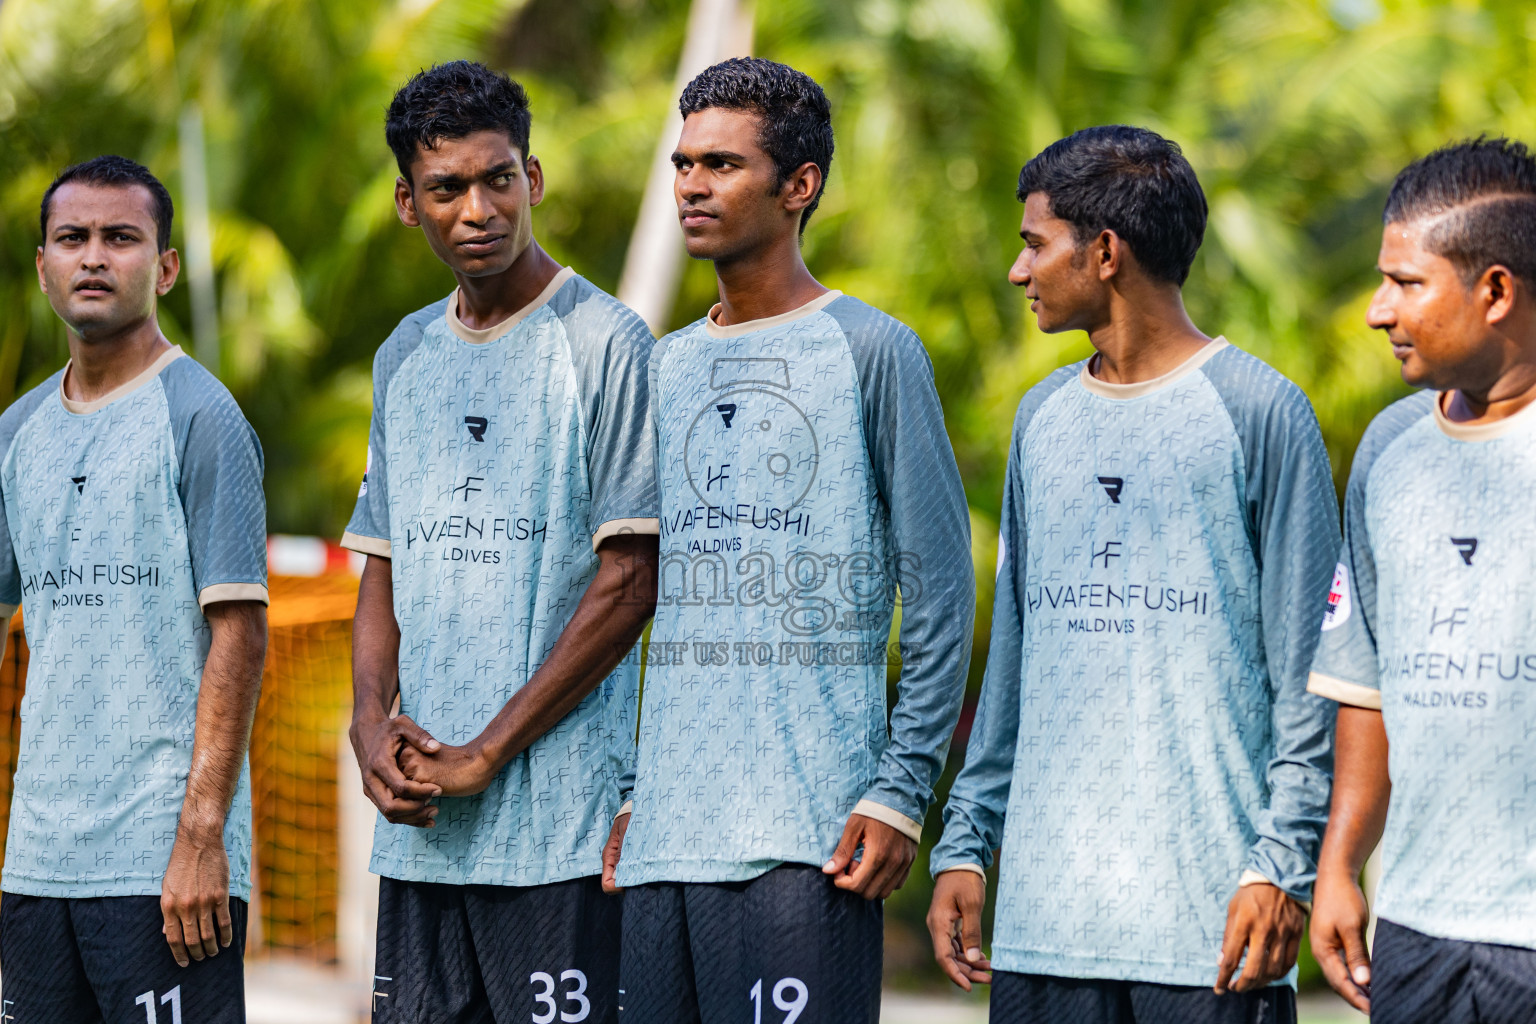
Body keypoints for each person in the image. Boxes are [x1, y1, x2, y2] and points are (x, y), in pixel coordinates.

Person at [927, 126, 1339, 1024]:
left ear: (1105, 252)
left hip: (1209, 936)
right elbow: (1017, 665)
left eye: (1036, 244)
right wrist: (964, 843)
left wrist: (1282, 865)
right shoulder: (1041, 419)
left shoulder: (1260, 411)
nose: (1017, 269)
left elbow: (1310, 678)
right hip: (1045, 932)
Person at [605, 57, 975, 1023]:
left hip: (810, 838)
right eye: (684, 163)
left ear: (798, 185)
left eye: (722, 165)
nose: (691, 184)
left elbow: (937, 590)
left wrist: (901, 794)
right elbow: (645, 597)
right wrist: (634, 791)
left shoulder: (873, 350)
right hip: (663, 843)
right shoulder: (666, 365)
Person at [340, 61, 658, 1024]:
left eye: (498, 179)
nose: (479, 208)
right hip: (423, 830)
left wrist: (486, 752)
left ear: (535, 178)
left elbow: (632, 578)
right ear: (409, 203)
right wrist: (367, 721)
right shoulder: (404, 354)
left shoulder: (608, 341)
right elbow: (382, 563)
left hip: (559, 832)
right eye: (447, 188)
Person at [0, 155, 269, 1021]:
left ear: (164, 268)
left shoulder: (200, 414)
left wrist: (199, 838)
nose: (93, 257)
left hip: (162, 866)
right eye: (71, 238)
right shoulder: (17, 431)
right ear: (42, 264)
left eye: (121, 238)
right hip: (38, 859)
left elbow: (241, 632)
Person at [1308, 138, 1536, 1024]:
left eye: (1406, 283)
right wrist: (1339, 865)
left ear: (1496, 291)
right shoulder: (1389, 450)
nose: (1376, 311)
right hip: (1416, 930)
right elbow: (1366, 683)